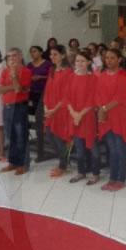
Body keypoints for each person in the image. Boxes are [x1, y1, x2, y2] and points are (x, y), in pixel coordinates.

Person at [96, 49, 126, 191]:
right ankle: (112, 178)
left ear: (119, 59)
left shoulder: (123, 77)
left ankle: (121, 179)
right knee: (112, 149)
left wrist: (104, 109)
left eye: (112, 58)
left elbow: (120, 98)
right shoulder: (102, 76)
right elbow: (98, 94)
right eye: (106, 58)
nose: (109, 60)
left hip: (120, 117)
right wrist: (101, 108)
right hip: (107, 117)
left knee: (120, 149)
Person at [0, 48, 32, 175]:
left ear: (20, 56)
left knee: (21, 136)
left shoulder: (26, 71)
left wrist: (14, 76)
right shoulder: (4, 71)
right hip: (7, 106)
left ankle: (24, 164)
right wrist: (11, 86)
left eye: (14, 55)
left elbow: (18, 89)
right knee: (10, 136)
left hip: (19, 107)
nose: (11, 58)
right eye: (9, 56)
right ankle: (13, 162)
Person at [66, 51, 100, 185]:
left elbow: (92, 100)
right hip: (74, 117)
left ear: (89, 63)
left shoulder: (93, 78)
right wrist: (74, 113)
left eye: (82, 61)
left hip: (87, 117)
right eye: (77, 61)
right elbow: (66, 98)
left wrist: (80, 114)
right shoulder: (71, 77)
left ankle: (95, 173)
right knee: (79, 147)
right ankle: (81, 171)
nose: (79, 63)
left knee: (92, 147)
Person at [43, 45, 73, 178]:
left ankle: (63, 165)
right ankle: (64, 162)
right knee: (49, 135)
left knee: (59, 137)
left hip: (62, 110)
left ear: (63, 55)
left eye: (55, 54)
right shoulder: (52, 70)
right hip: (50, 109)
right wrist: (46, 107)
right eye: (51, 55)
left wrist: (54, 109)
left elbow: (67, 95)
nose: (52, 57)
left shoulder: (68, 72)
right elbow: (47, 90)